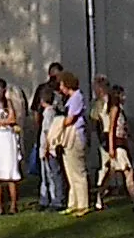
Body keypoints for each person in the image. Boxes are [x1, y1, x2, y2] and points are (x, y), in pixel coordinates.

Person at [101, 85, 134, 212]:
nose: (125, 97)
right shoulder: (115, 110)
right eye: (122, 95)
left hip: (122, 144)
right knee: (128, 173)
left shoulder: (121, 111)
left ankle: (99, 196)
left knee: (110, 174)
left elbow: (126, 130)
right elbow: (112, 129)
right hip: (118, 145)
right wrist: (112, 148)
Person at [0, 78, 23, 214]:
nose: (3, 91)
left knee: (11, 170)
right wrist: (3, 122)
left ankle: (13, 205)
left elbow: (12, 119)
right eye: (1, 88)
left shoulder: (8, 103)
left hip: (8, 138)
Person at [58, 71, 90, 215]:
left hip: (76, 135)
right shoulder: (70, 99)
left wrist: (58, 124)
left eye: (62, 84)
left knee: (78, 171)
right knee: (70, 171)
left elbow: (71, 118)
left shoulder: (77, 97)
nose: (60, 87)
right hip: (68, 137)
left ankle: (83, 203)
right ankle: (73, 202)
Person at [30, 62, 63, 175]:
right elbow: (36, 110)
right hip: (45, 126)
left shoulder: (62, 89)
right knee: (45, 159)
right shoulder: (42, 89)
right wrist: (38, 127)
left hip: (59, 127)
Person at [36, 84, 64, 211]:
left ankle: (56, 200)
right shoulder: (50, 112)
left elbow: (47, 132)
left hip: (49, 149)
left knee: (52, 174)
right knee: (46, 175)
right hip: (46, 149)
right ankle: (46, 199)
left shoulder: (49, 113)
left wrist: (46, 148)